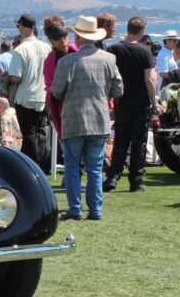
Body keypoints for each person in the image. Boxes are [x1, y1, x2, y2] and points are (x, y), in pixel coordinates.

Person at [52, 16, 123, 221]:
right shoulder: (108, 59)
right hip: (99, 119)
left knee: (72, 167)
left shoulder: (66, 62)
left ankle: (75, 208)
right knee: (95, 167)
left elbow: (56, 92)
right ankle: (96, 209)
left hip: (73, 119)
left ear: (77, 35)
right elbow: (119, 89)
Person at [104, 17, 157, 193]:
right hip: (141, 102)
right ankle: (136, 179)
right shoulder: (145, 52)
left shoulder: (114, 49)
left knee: (120, 139)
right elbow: (149, 79)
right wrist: (154, 101)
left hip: (121, 101)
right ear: (141, 32)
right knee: (139, 142)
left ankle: (113, 176)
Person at [8, 13, 52, 169]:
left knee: (29, 135)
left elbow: (15, 77)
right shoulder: (46, 47)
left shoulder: (20, 50)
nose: (18, 29)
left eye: (18, 26)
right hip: (43, 95)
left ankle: (33, 165)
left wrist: (7, 77)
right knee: (41, 133)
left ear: (24, 27)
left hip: (25, 96)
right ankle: (39, 162)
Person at [42, 20, 78, 139]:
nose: (62, 40)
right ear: (51, 41)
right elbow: (49, 87)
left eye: (64, 36)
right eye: (57, 38)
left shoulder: (78, 52)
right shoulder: (49, 62)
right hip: (64, 108)